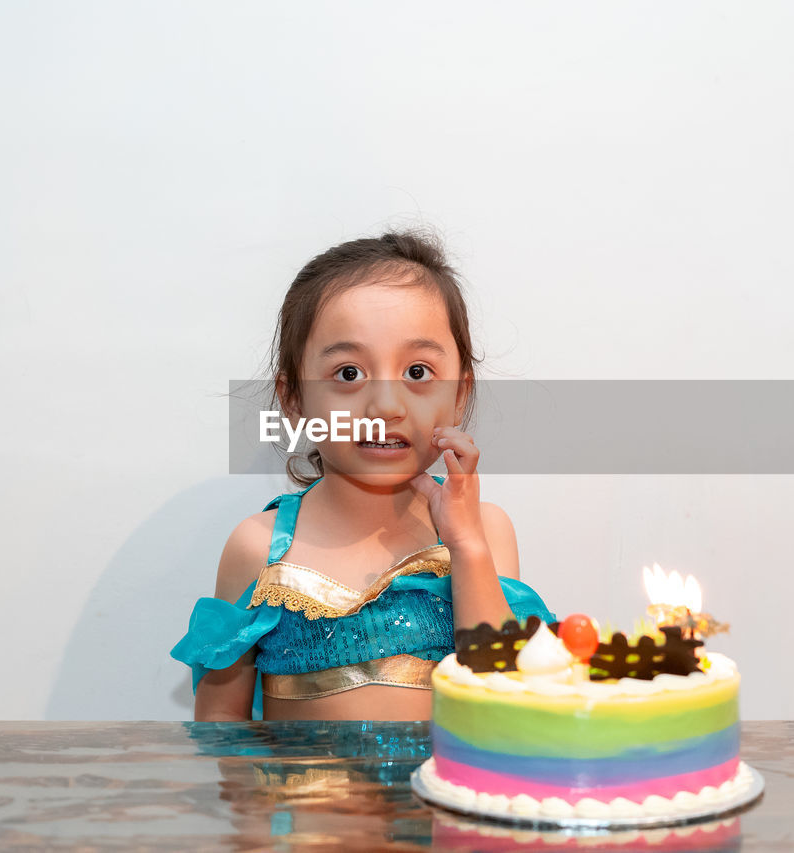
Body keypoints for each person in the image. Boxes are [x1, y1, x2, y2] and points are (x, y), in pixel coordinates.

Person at [171, 230, 554, 721]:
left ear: (460, 393)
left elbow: (508, 710)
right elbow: (221, 728)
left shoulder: (486, 532)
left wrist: (466, 547)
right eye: (349, 374)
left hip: (441, 799)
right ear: (294, 400)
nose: (386, 406)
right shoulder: (258, 548)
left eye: (418, 372)